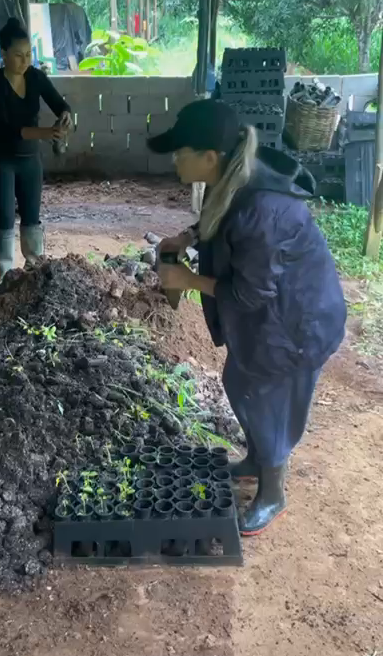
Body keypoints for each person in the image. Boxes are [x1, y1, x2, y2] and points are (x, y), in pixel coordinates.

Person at [148, 99, 346, 536]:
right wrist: (190, 237)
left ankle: (273, 494)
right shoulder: (233, 177)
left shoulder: (262, 211)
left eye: (181, 153)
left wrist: (185, 277)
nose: (175, 160)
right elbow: (221, 222)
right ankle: (258, 459)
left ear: (209, 157)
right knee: (238, 381)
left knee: (267, 399)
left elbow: (250, 292)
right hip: (275, 311)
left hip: (297, 321)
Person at [0, 17, 72, 284]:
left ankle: (34, 273)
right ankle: (7, 276)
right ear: (4, 55)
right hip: (1, 158)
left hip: (30, 159)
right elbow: (7, 129)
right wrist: (46, 133)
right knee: (6, 218)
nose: (25, 61)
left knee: (32, 217)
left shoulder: (35, 77)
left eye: (29, 54)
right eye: (18, 55)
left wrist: (66, 116)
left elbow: (60, 103)